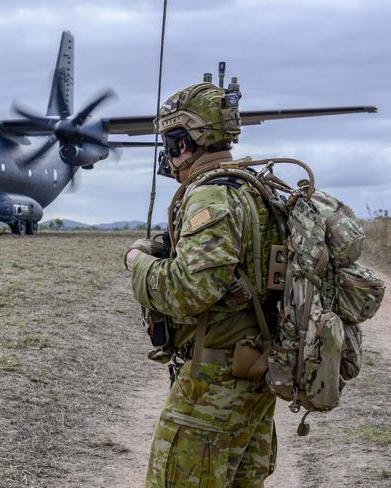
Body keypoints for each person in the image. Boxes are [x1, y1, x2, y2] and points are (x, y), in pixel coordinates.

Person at [125, 82, 279, 487]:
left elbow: (187, 292)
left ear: (184, 144)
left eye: (169, 143)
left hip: (212, 385)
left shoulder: (211, 197)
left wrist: (137, 262)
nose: (168, 156)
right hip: (253, 378)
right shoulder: (252, 188)